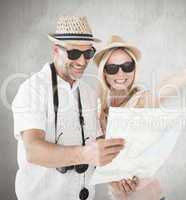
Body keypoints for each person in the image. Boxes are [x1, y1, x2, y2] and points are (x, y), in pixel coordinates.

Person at [93, 35, 186, 200]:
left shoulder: (139, 100)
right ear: (104, 73)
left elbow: (161, 90)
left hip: (149, 195)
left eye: (127, 66)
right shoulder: (97, 108)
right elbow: (95, 154)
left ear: (134, 69)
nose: (121, 73)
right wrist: (114, 178)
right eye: (113, 68)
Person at [11, 16, 126, 200]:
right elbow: (33, 151)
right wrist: (85, 154)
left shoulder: (88, 93)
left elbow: (98, 146)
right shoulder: (32, 90)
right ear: (55, 51)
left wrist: (118, 175)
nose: (82, 62)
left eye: (88, 54)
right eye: (73, 54)